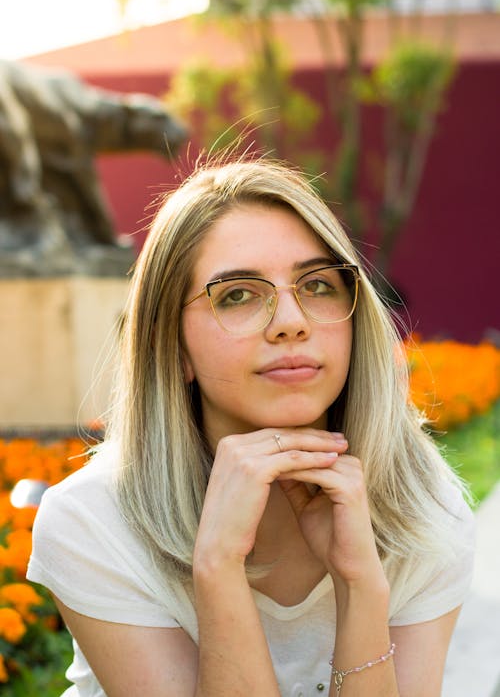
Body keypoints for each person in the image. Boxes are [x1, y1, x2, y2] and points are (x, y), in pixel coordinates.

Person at [27, 158, 475, 697]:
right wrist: (217, 567)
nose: (291, 321)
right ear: (173, 347)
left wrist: (360, 589)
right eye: (237, 294)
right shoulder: (94, 522)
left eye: (317, 285)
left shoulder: (425, 511)